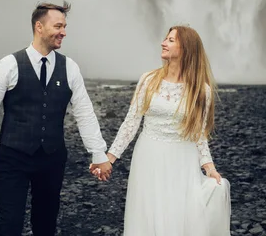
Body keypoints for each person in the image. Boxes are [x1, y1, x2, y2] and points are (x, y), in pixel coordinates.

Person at [0, 1, 112, 236]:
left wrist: (98, 152)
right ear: (39, 27)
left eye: (65, 26)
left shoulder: (70, 68)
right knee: (10, 223)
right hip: (13, 158)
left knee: (46, 223)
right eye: (58, 26)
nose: (64, 32)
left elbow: (84, 112)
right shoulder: (9, 64)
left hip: (52, 159)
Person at [94, 25, 231, 236]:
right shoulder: (149, 80)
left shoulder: (201, 91)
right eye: (165, 38)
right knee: (148, 215)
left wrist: (209, 167)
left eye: (171, 40)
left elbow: (200, 135)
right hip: (148, 156)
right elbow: (131, 123)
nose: (163, 43)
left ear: (186, 49)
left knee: (179, 215)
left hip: (182, 160)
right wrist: (109, 159)